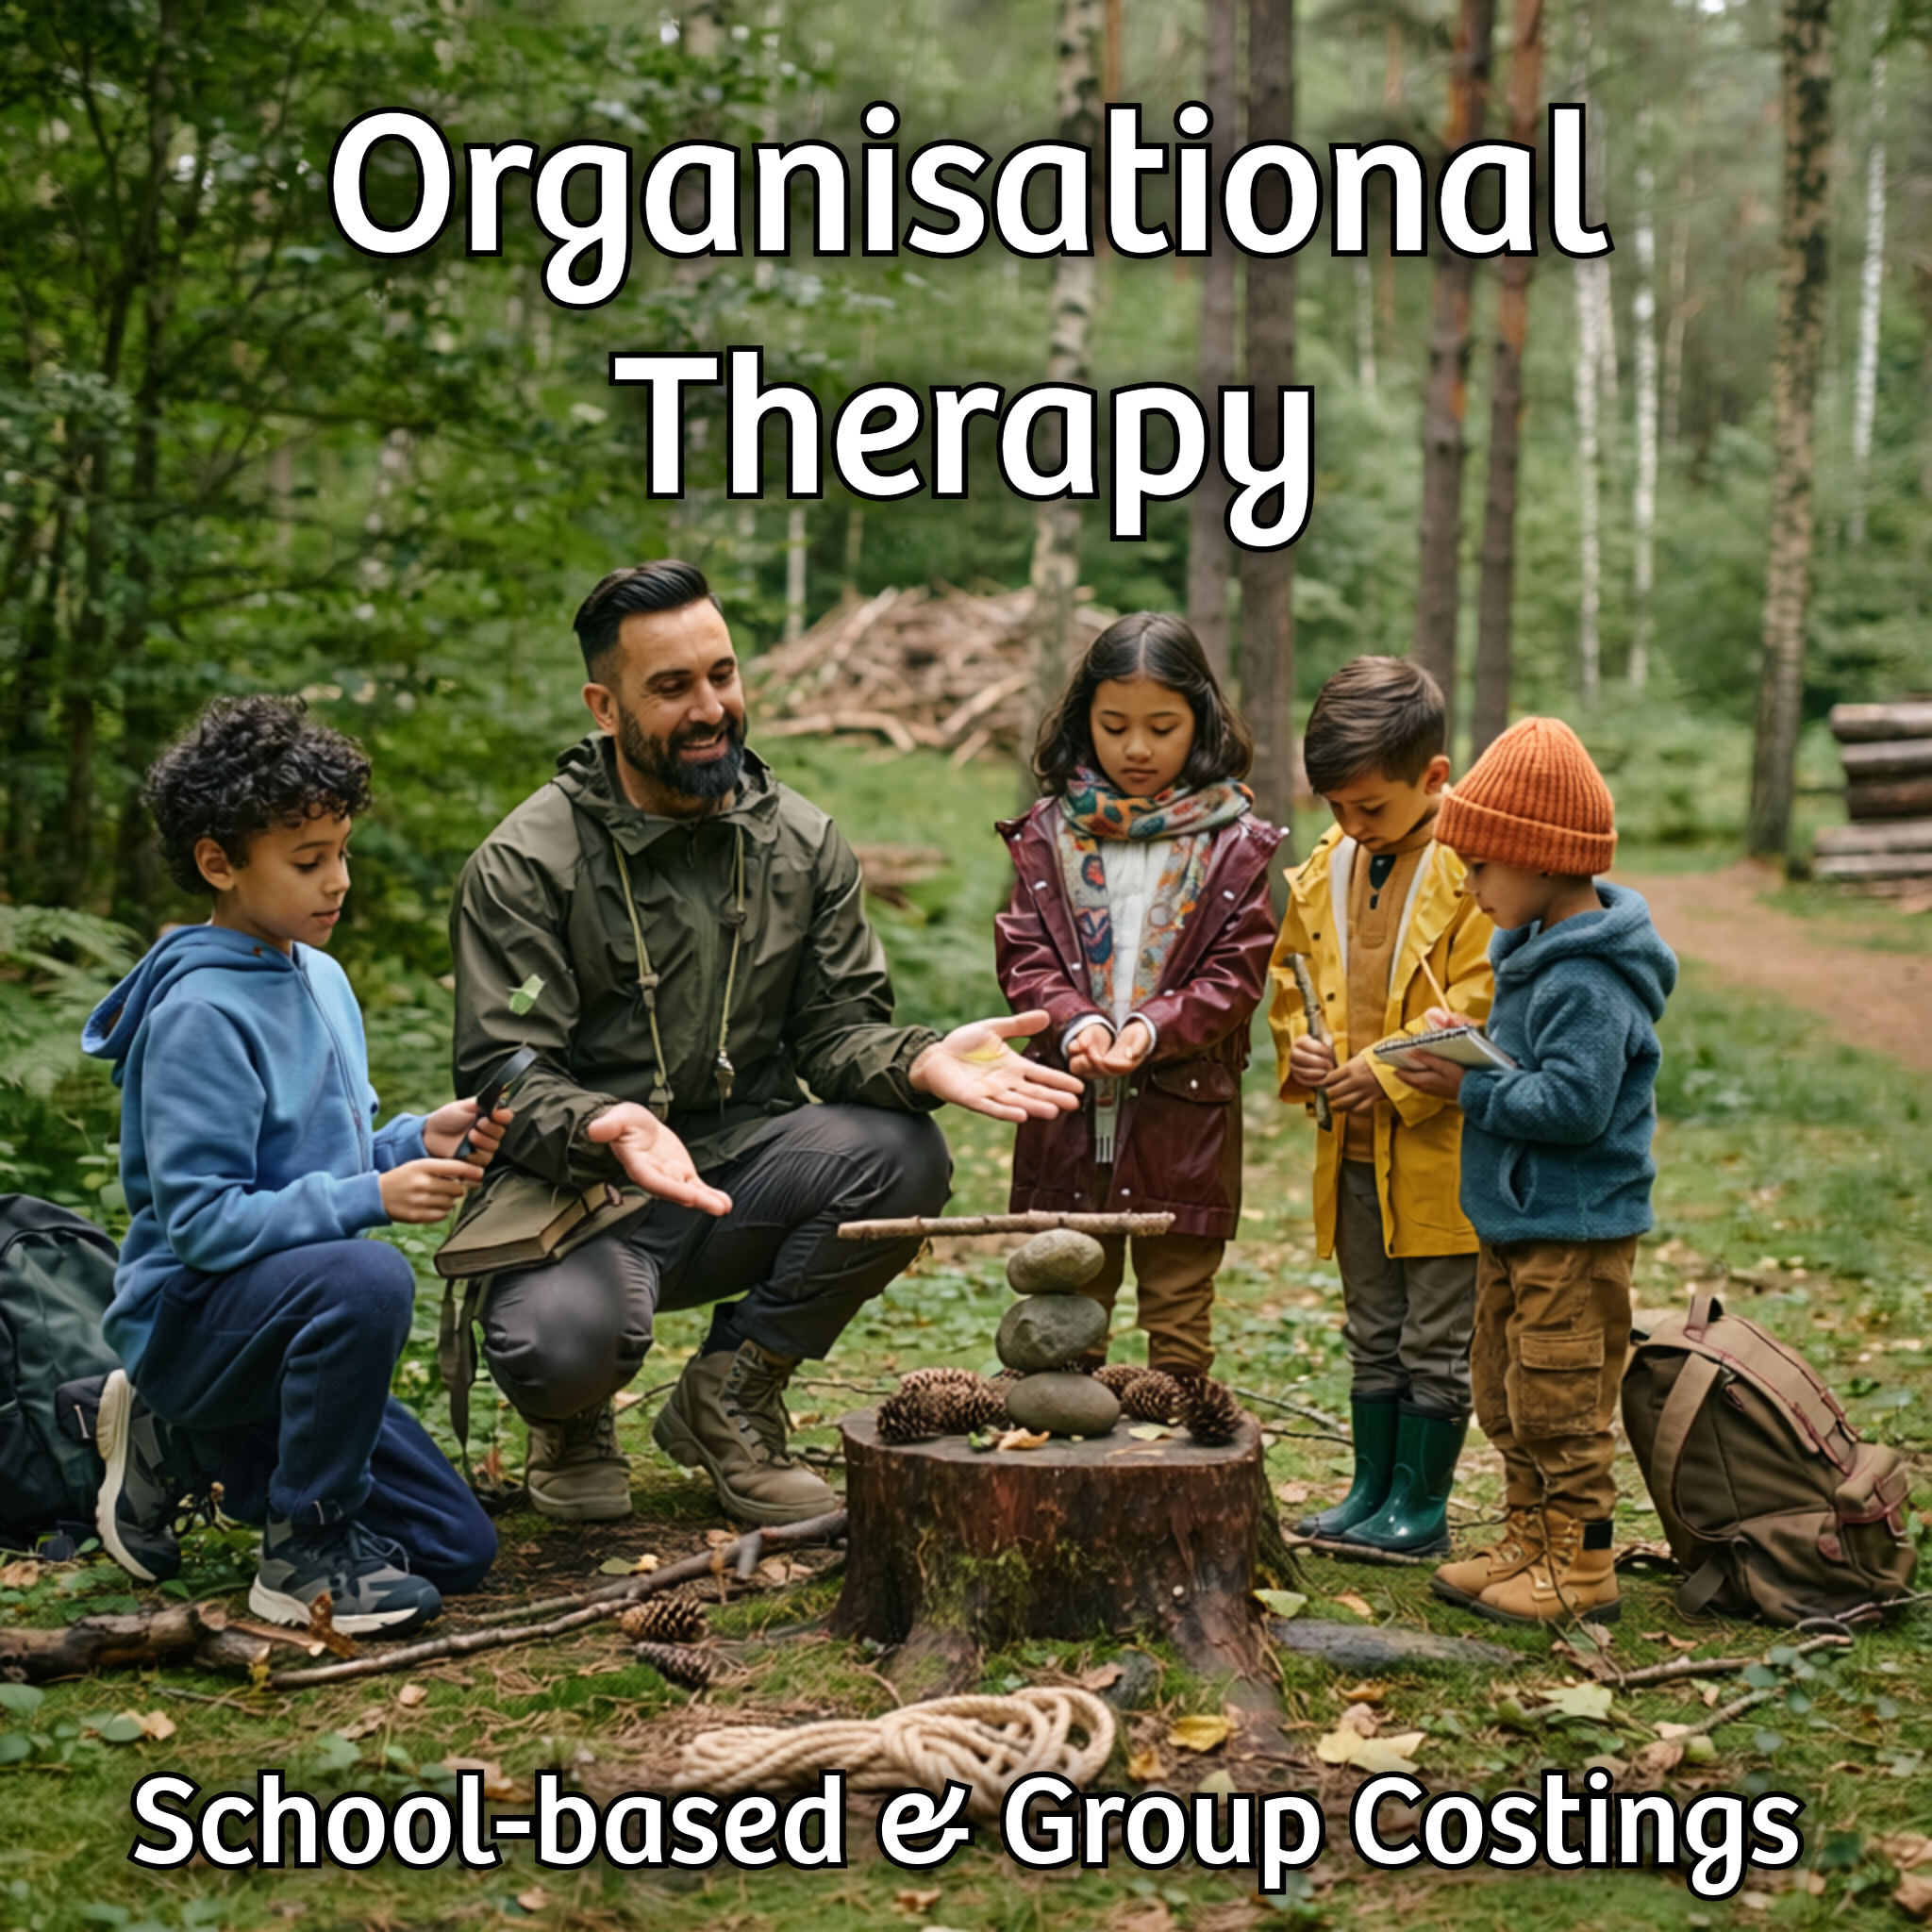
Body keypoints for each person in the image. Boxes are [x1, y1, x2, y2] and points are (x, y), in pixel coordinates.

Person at [449, 560, 1081, 1528]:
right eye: (670, 687)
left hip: (741, 1171)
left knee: (901, 1153)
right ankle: (572, 1421)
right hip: (584, 1190)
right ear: (604, 705)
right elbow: (505, 1064)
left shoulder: (798, 842)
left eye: (721, 674)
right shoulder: (528, 862)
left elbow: (835, 1028)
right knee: (562, 1343)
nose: (709, 708)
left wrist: (914, 1058)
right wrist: (603, 1119)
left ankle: (731, 1392)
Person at [83, 697, 502, 1635]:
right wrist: (371, 1198)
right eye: (308, 861)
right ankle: (301, 1548)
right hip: (199, 1318)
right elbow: (203, 1223)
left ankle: (190, 1444)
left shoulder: (319, 973)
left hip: (286, 1324)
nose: (337, 880)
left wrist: (408, 1143)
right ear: (217, 862)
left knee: (454, 1548)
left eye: (341, 851)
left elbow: (328, 1155)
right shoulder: (199, 1013)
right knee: (366, 1273)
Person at [1396, 716, 1676, 1625]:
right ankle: (1529, 1534)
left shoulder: (1588, 982)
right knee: (1507, 1392)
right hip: (1517, 1225)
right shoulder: (1532, 957)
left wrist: (1464, 1090)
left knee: (1561, 1398)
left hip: (1575, 1228)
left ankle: (1582, 1564)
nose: (1469, 886)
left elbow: (1573, 1107)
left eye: (1481, 867)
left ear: (1542, 857)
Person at [993, 613, 1281, 1376]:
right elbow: (1026, 953)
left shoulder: (1235, 844)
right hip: (1068, 1095)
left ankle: (1179, 1457)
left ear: (1202, 721)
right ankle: (1059, 1452)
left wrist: (1151, 1031)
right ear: (1085, 719)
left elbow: (1237, 973)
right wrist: (1076, 1022)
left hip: (1183, 1107)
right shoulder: (1048, 833)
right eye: (1115, 725)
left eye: (1163, 726)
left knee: (1180, 1297)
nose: (1138, 748)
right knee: (1067, 1296)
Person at [1267, 658, 1495, 1555]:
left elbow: (1482, 1006)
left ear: (1434, 777)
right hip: (1352, 1151)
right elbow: (1290, 983)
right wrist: (1305, 1048)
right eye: (1336, 809)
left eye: (1371, 809)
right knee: (1372, 1327)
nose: (1352, 825)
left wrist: (1392, 1073)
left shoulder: (1476, 873)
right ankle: (1370, 1489)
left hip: (1444, 1161)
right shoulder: (1326, 868)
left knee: (1436, 1335)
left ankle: (1422, 1507)